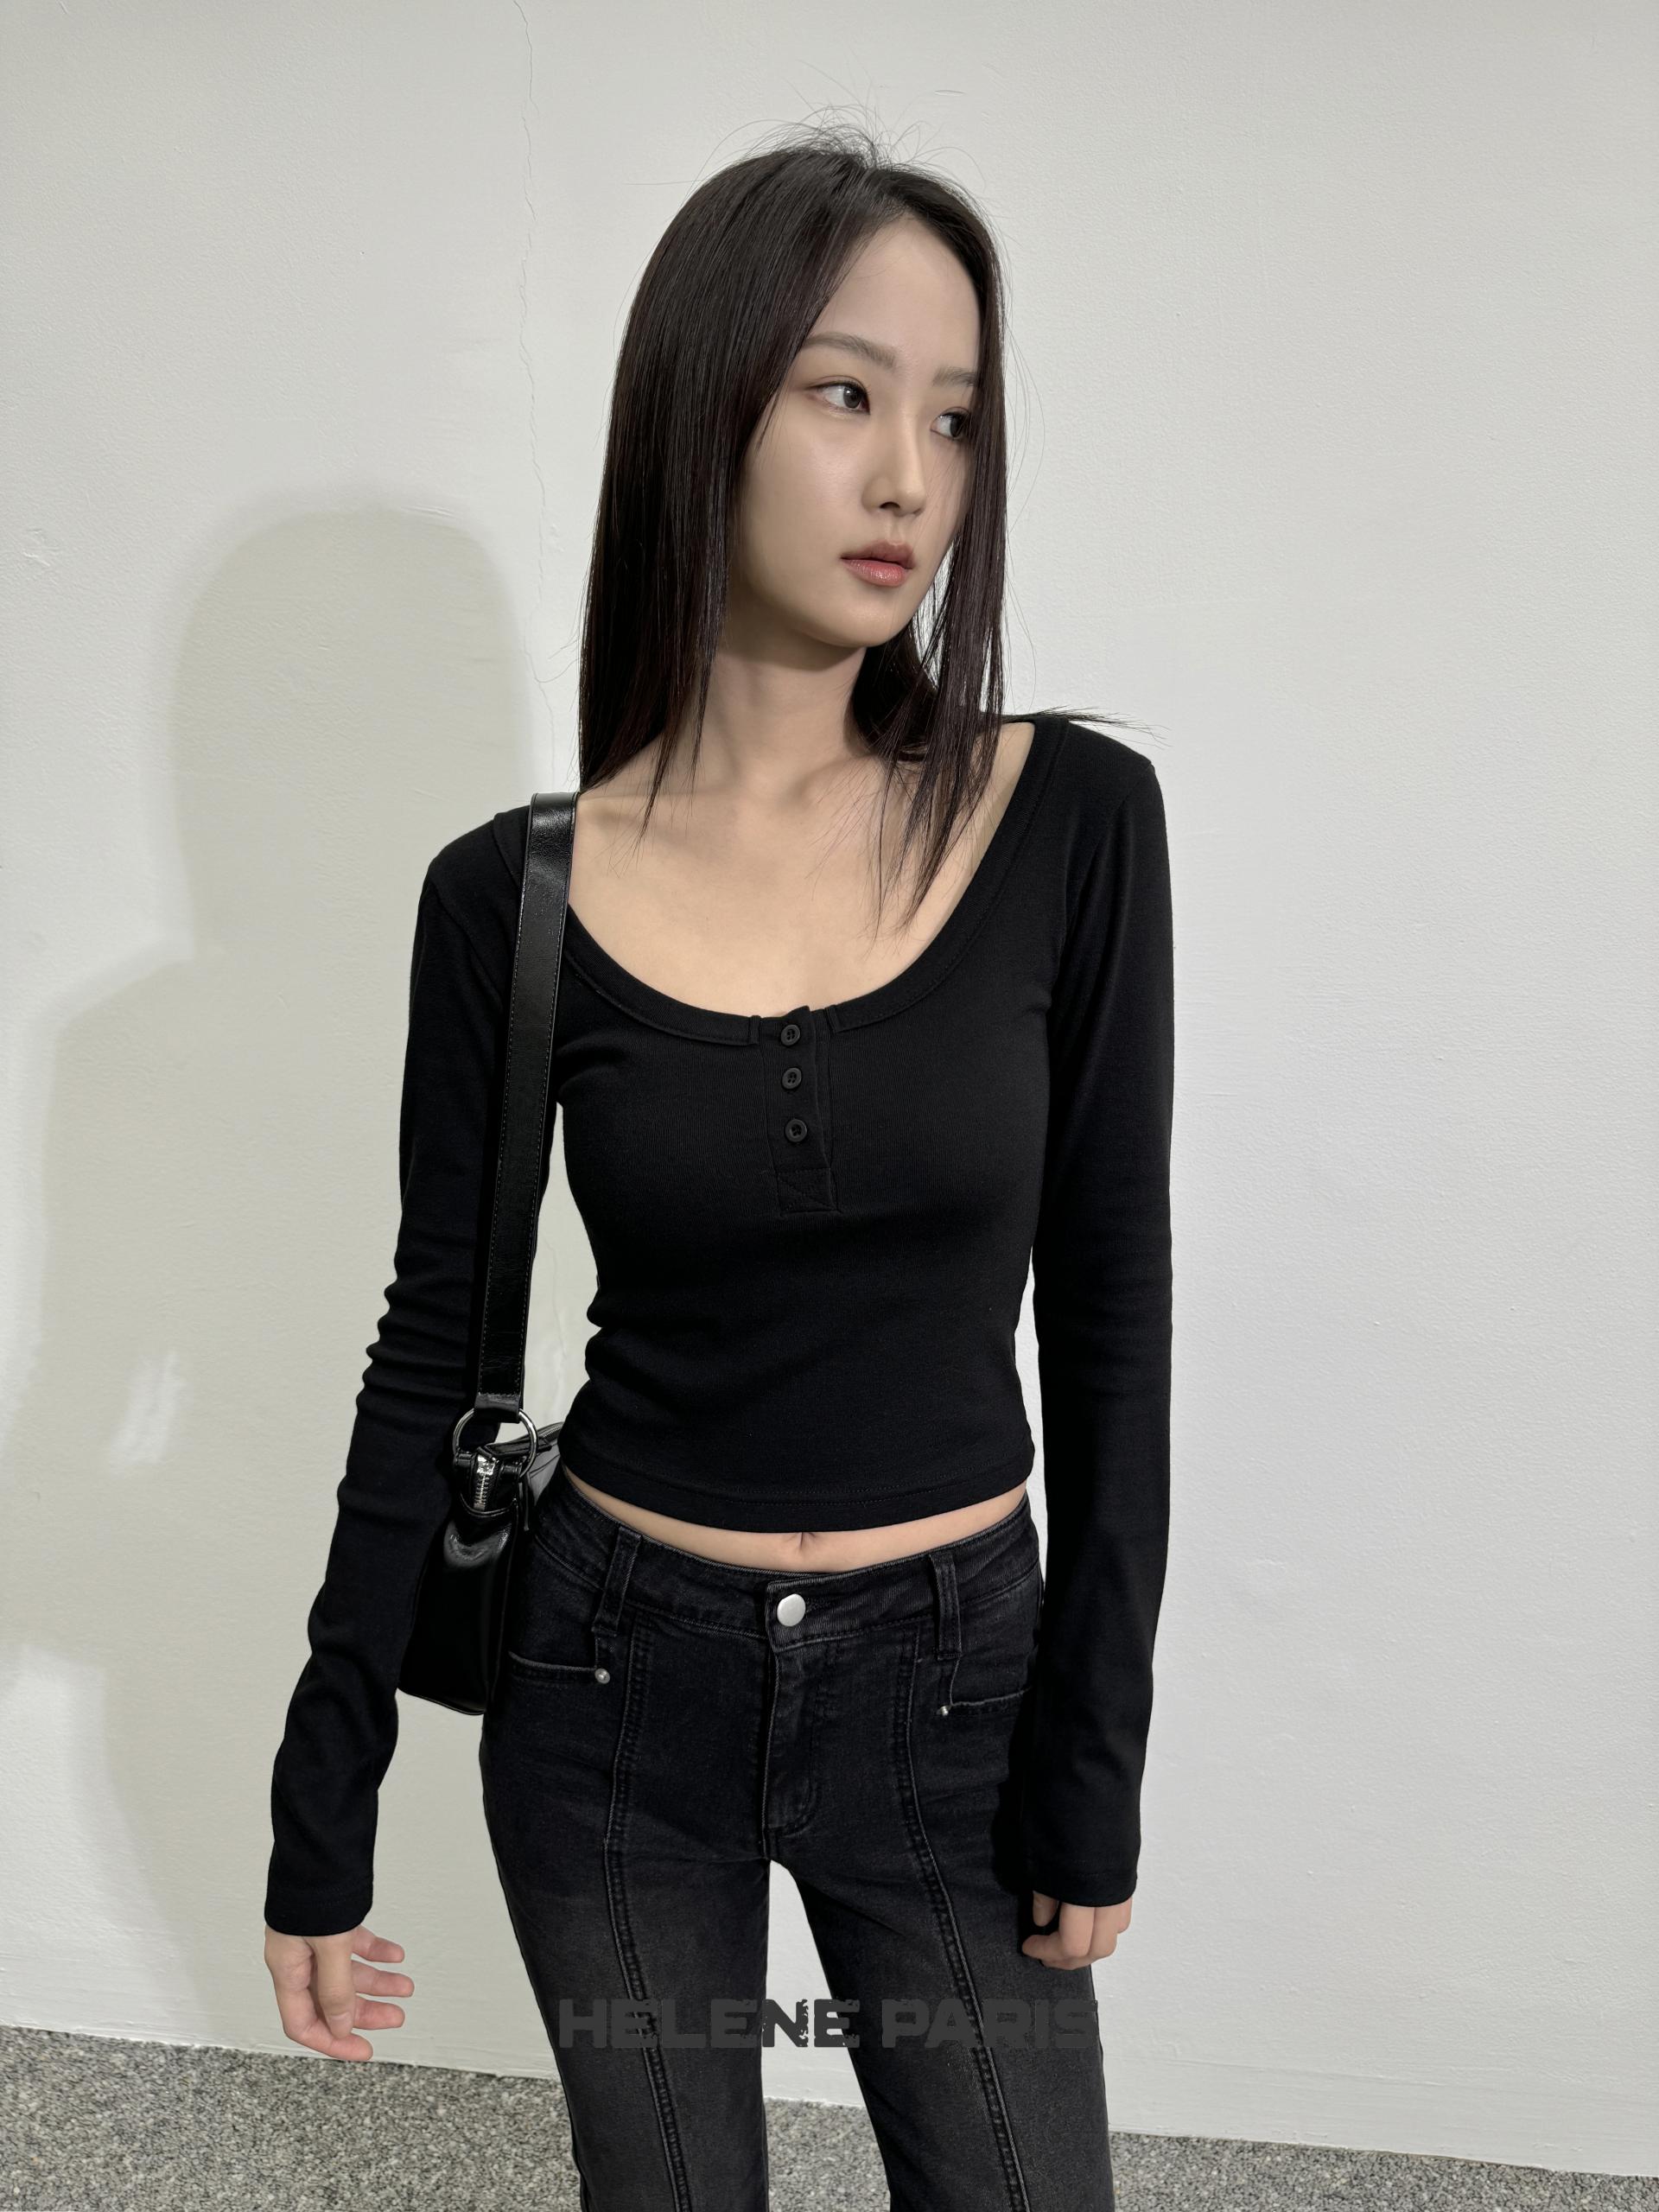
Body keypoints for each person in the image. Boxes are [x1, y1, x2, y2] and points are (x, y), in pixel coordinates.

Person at [262, 124, 1173, 2212]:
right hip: (610, 1688)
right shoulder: (512, 898)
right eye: (846, 394)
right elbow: (433, 1340)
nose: (910, 479)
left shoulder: (1070, 820)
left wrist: (1093, 1753)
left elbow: (1114, 1305)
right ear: (704, 407)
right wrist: (328, 1782)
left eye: (955, 415)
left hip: (954, 1693)